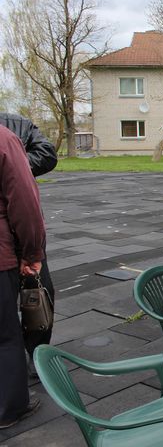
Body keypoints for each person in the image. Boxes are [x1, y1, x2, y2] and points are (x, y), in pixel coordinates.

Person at [1, 113, 58, 370]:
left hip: (24, 232)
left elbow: (47, 154)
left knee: (38, 293)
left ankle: (37, 353)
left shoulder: (17, 123)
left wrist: (16, 162)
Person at [0, 126, 44, 429]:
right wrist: (32, 252)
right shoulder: (4, 139)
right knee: (5, 335)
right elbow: (24, 202)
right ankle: (9, 408)